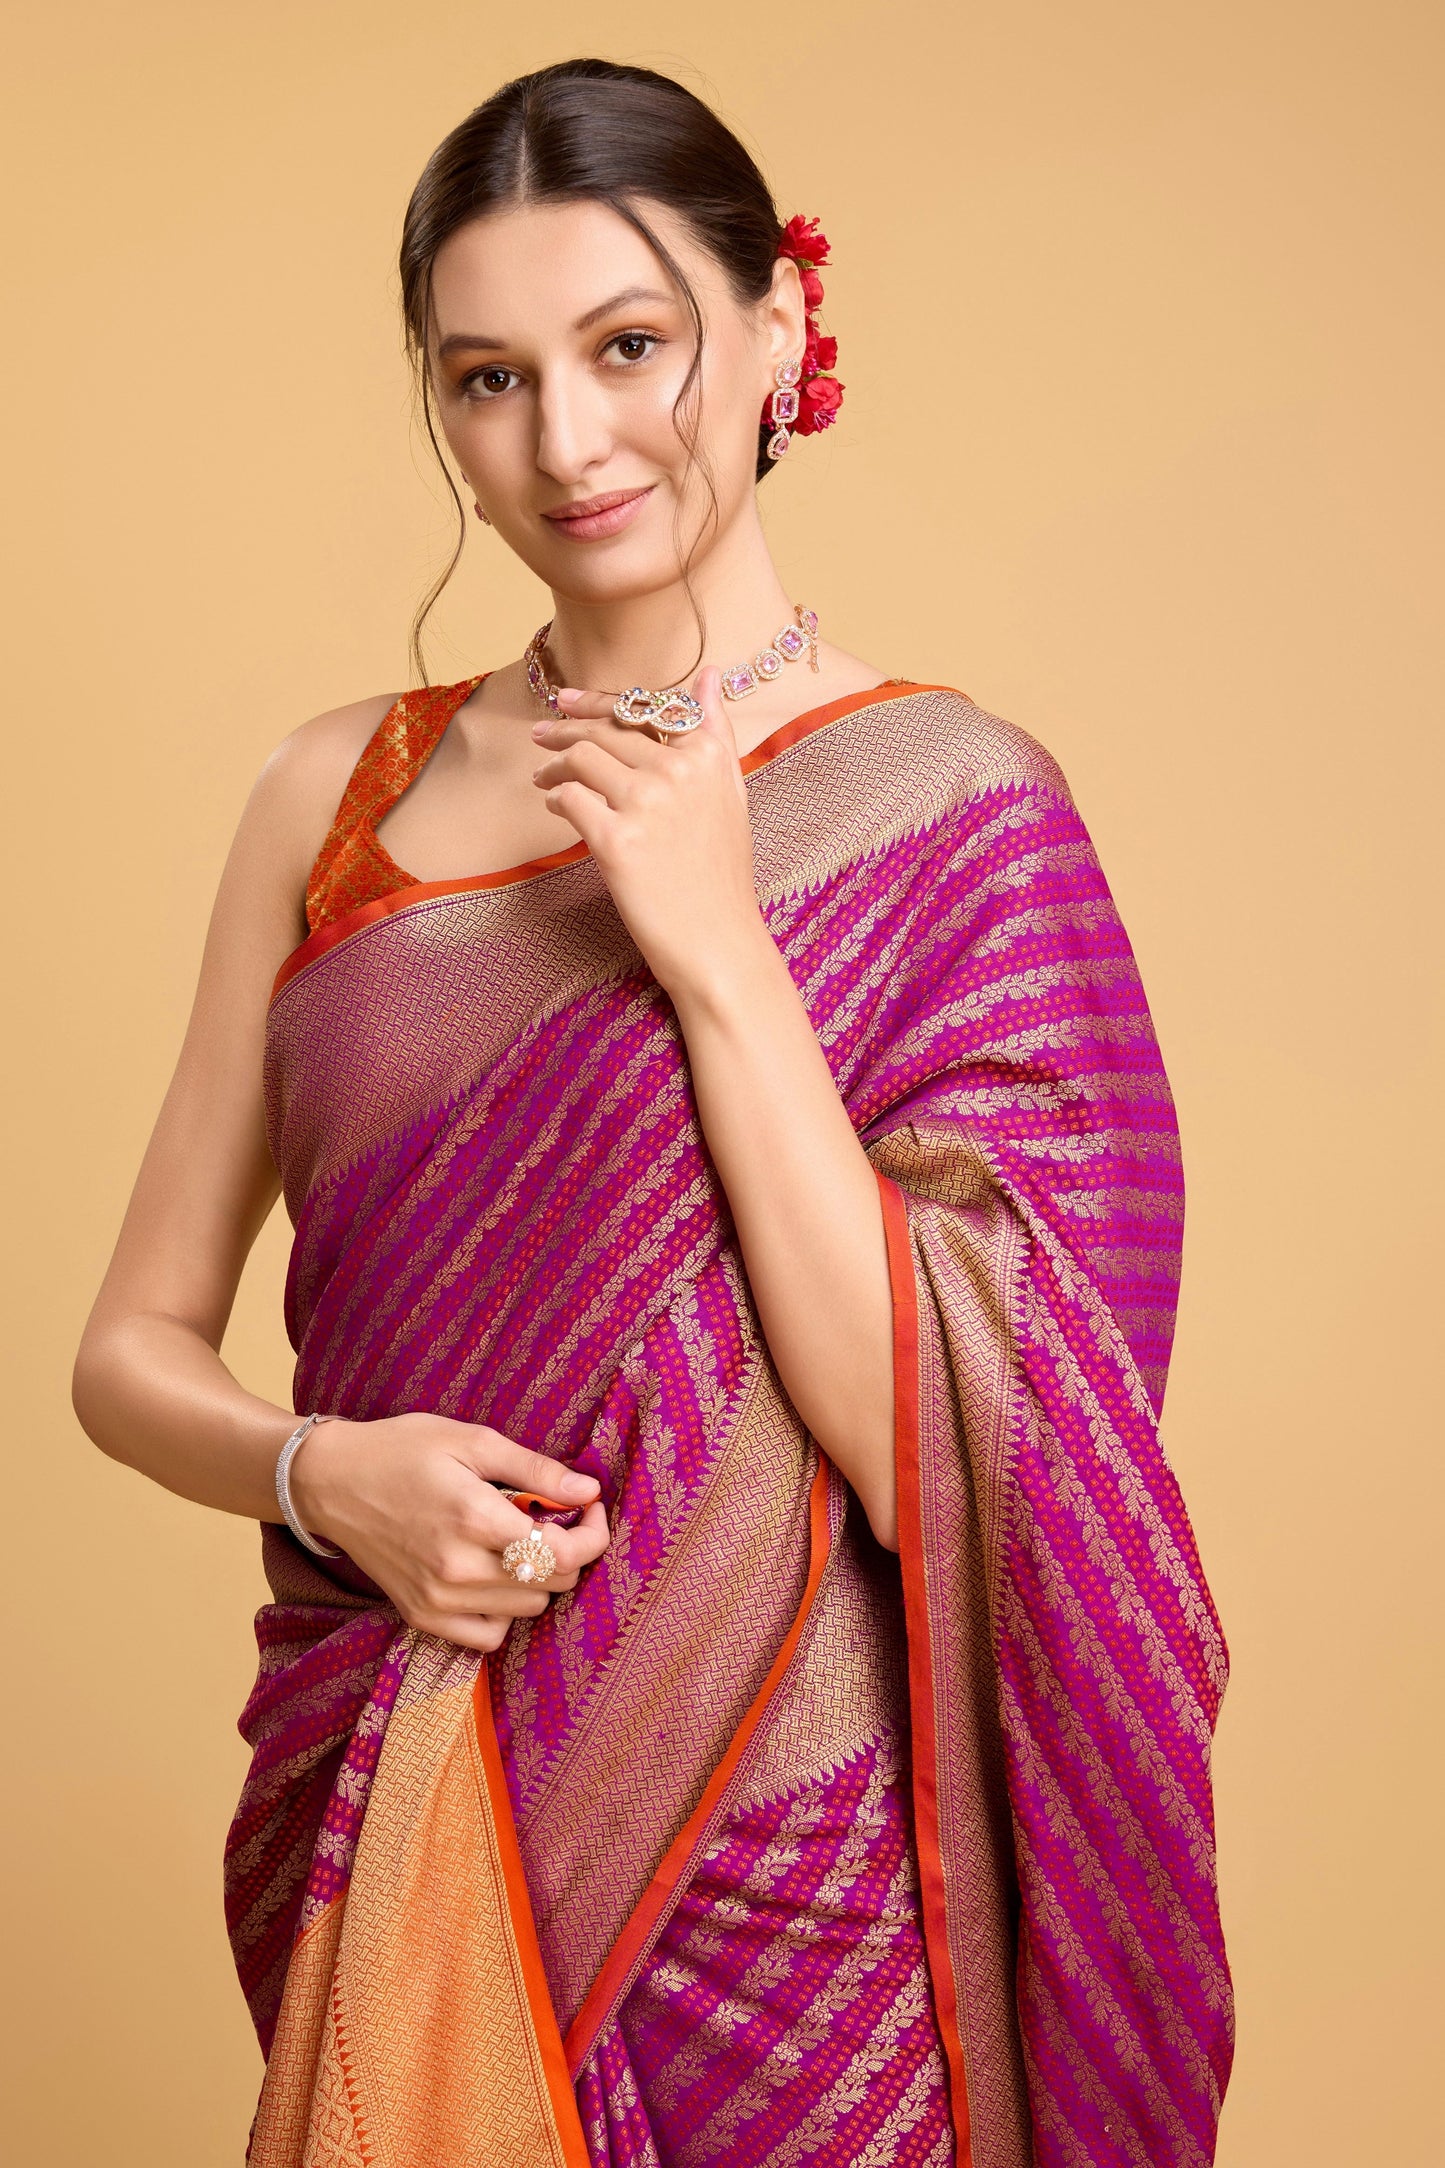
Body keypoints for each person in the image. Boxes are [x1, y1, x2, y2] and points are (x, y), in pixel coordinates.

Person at [72, 56, 1233, 2168]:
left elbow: (956, 1439)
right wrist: (326, 1475)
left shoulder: (958, 813)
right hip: (411, 1788)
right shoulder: (330, 800)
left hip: (801, 1897)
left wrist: (713, 944)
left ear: (780, 329)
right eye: (489, 378)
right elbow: (127, 1351)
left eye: (629, 345)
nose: (569, 440)